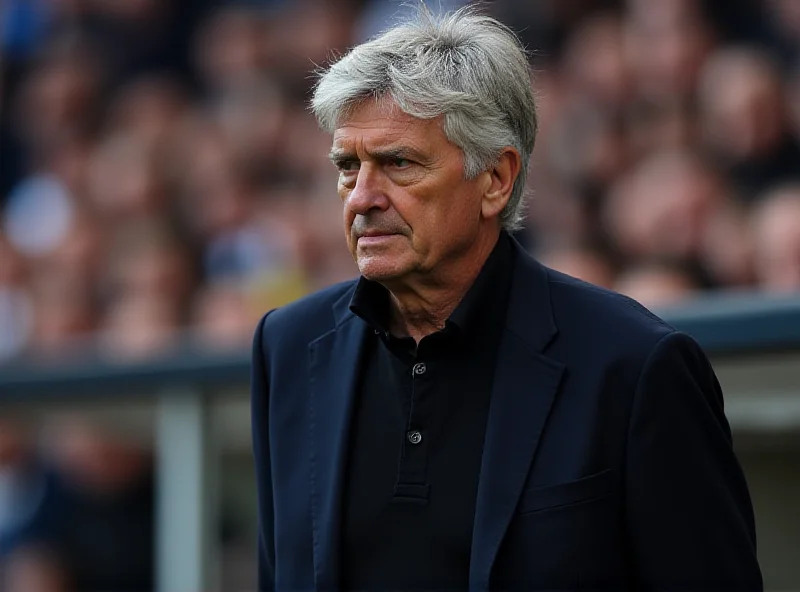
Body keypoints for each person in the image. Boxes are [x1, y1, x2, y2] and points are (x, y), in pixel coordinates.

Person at [250, 6, 762, 591]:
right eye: (348, 166)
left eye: (398, 163)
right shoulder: (288, 347)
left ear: (495, 179)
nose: (362, 197)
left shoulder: (634, 365)